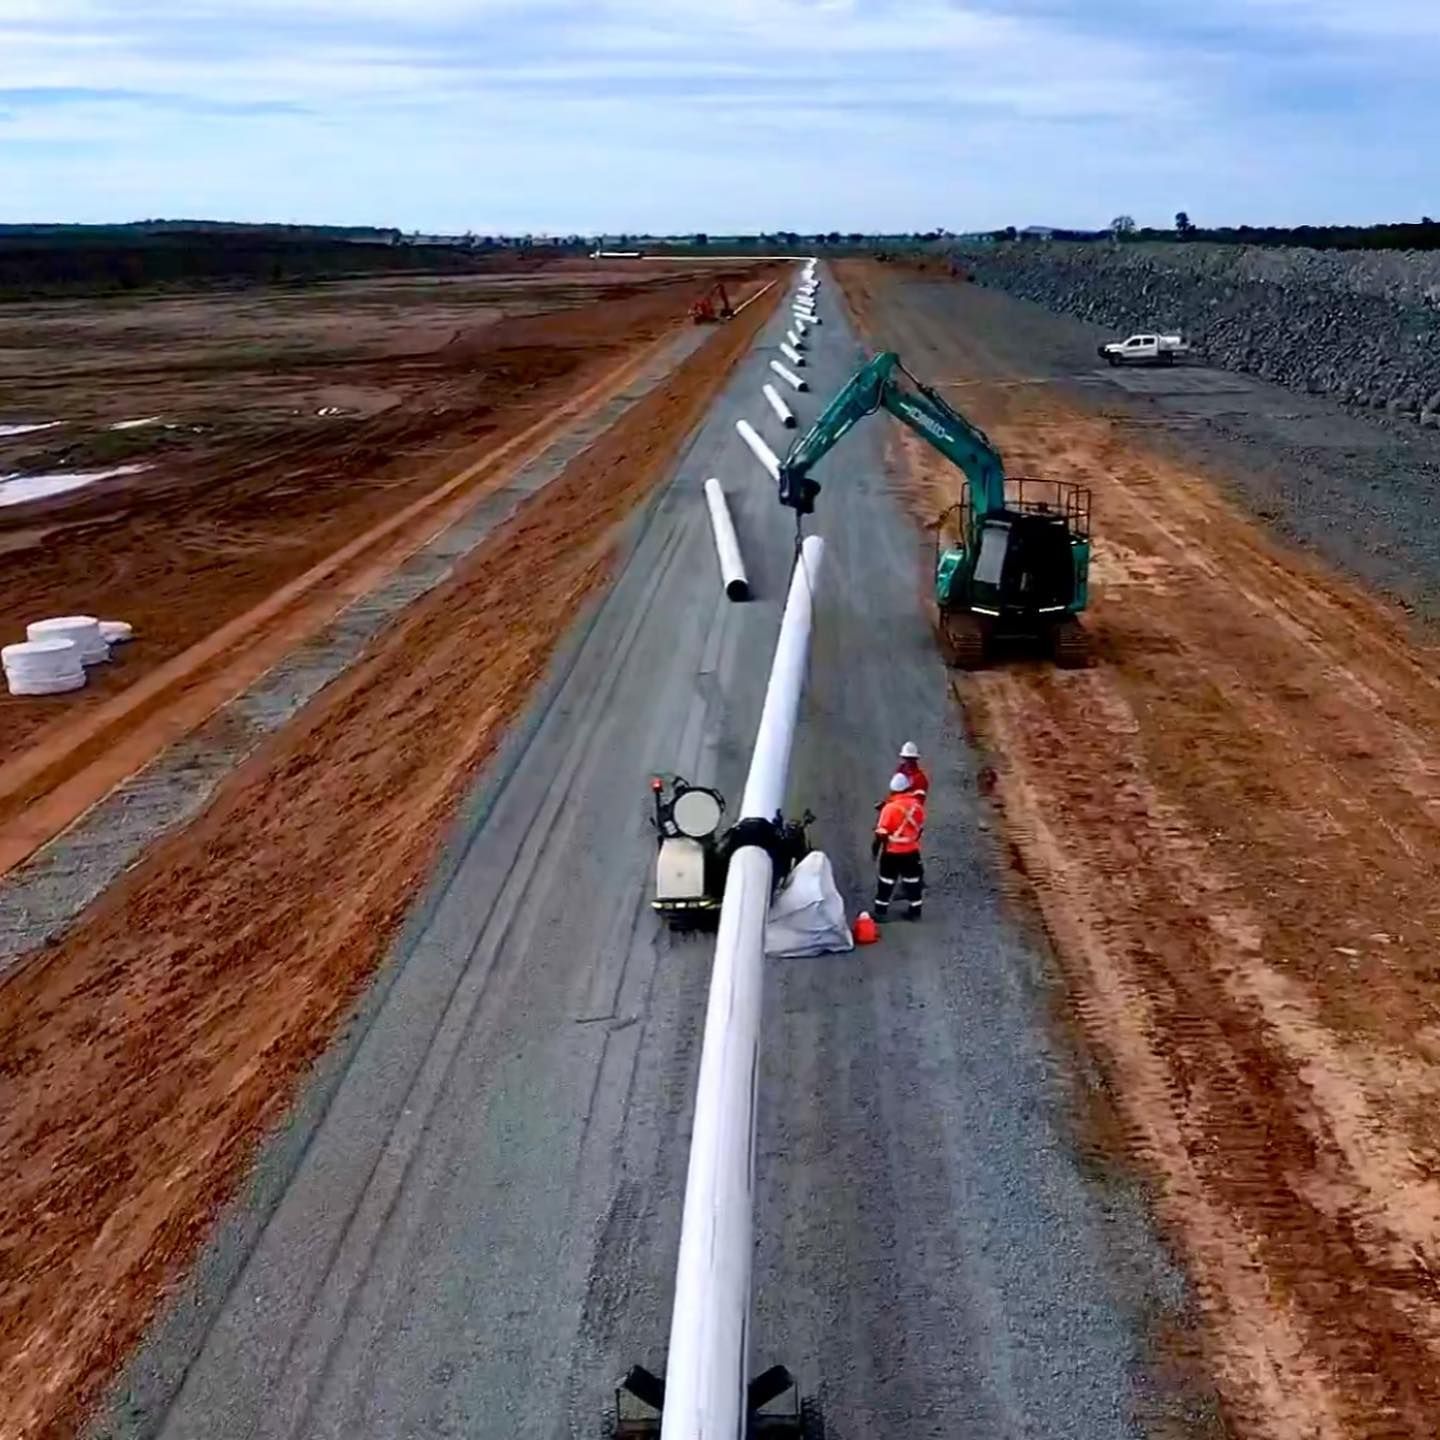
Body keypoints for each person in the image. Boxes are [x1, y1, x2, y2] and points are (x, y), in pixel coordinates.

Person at [872, 772, 926, 921]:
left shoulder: (889, 808)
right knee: (913, 881)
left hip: (892, 852)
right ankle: (915, 911)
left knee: (886, 881)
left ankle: (880, 911)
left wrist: (875, 848)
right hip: (912, 851)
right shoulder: (917, 806)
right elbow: (920, 827)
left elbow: (882, 832)